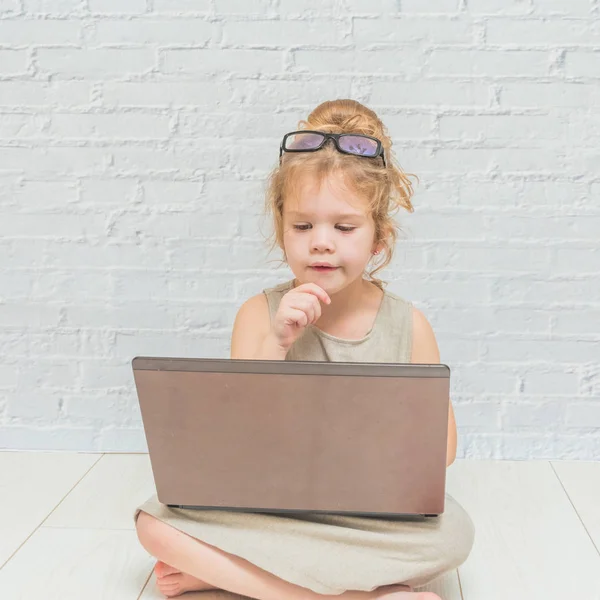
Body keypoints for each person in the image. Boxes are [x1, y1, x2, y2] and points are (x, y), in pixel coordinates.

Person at [134, 99, 475, 600]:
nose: (321, 243)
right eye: (302, 226)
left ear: (379, 238)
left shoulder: (409, 324)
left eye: (344, 227)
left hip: (369, 515)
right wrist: (277, 342)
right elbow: (235, 435)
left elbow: (441, 453)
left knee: (455, 535)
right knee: (152, 523)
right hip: (272, 508)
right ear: (281, 230)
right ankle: (350, 594)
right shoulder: (258, 312)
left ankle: (240, 575)